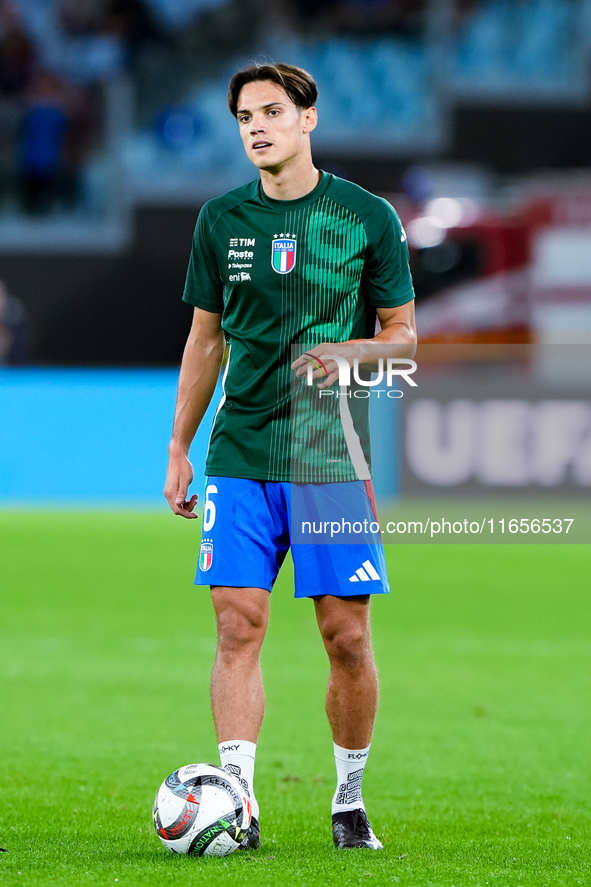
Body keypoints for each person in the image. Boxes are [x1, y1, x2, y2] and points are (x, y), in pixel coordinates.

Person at [164, 61, 416, 851]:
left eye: (272, 112)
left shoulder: (364, 216)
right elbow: (205, 339)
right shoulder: (221, 220)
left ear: (308, 119)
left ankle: (347, 797)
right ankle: (237, 799)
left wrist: (350, 350)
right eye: (245, 117)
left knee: (345, 635)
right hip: (239, 451)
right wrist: (178, 442)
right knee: (237, 625)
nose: (257, 127)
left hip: (328, 457)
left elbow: (403, 332)